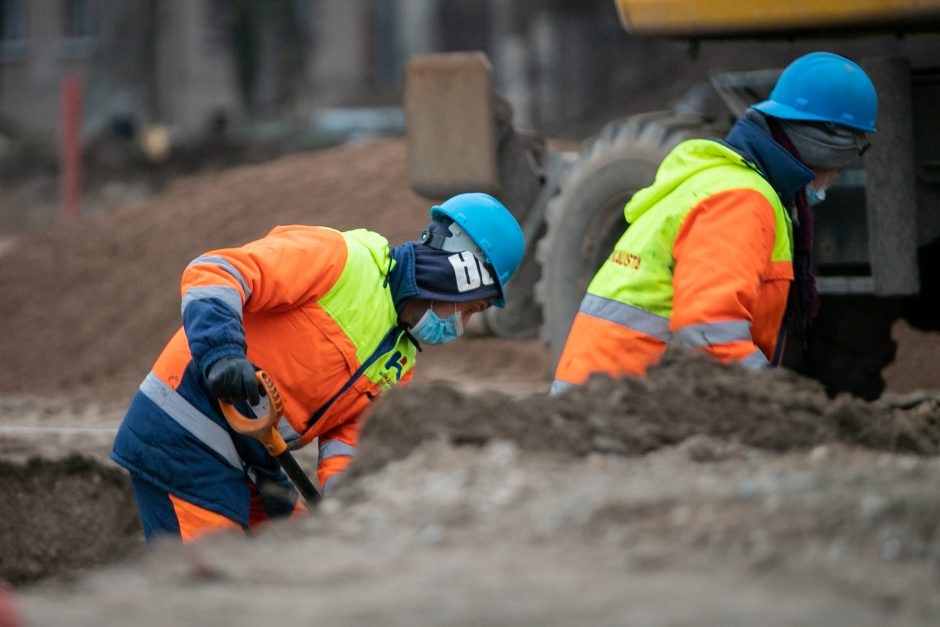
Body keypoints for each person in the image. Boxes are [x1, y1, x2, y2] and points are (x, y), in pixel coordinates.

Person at [111, 192, 525, 543]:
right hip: (183, 434)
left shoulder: (399, 360)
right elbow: (216, 272)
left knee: (296, 559)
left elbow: (347, 444)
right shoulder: (343, 260)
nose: (461, 327)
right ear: (459, 275)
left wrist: (345, 504)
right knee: (207, 587)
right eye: (470, 309)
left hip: (255, 458)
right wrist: (222, 354)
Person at [551, 51, 877, 395]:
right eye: (840, 166)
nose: (834, 179)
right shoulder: (740, 201)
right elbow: (709, 330)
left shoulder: (727, 184)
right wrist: (774, 397)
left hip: (611, 399)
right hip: (623, 408)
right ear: (823, 149)